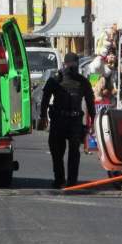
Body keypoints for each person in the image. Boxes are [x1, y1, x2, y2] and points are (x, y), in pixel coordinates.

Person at [40, 52, 96, 188]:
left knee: (74, 153)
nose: (72, 67)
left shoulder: (83, 82)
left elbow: (90, 102)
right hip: (59, 120)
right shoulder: (56, 79)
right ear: (65, 64)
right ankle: (59, 179)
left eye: (74, 64)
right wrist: (42, 116)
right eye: (70, 64)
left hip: (74, 121)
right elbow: (45, 97)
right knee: (57, 152)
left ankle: (71, 181)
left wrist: (93, 121)